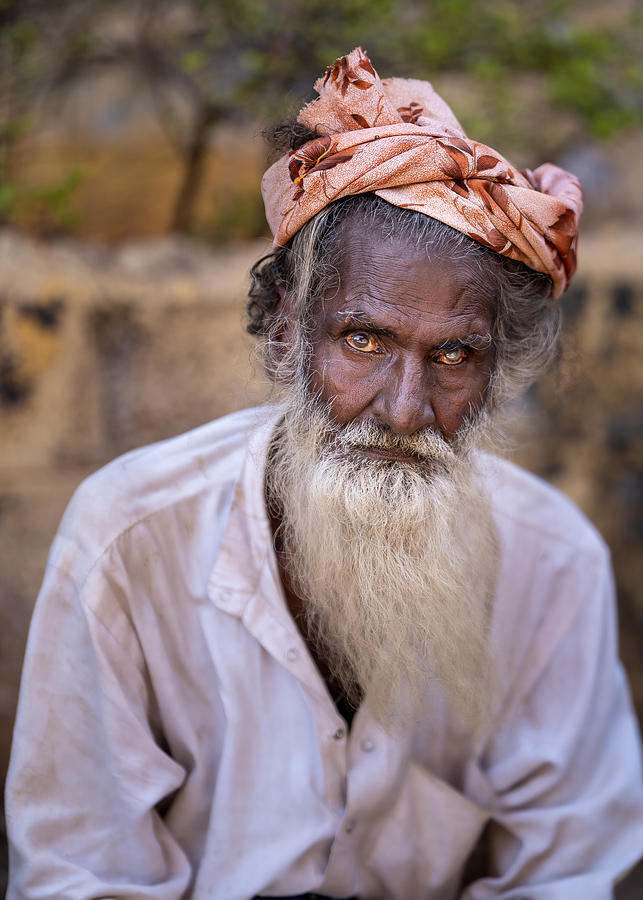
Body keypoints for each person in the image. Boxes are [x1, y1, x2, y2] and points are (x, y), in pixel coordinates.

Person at [5, 46, 643, 900]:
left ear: (498, 375)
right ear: (284, 337)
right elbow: (79, 872)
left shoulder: (553, 563)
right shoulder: (128, 537)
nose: (405, 407)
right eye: (364, 341)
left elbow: (572, 871)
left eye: (454, 355)